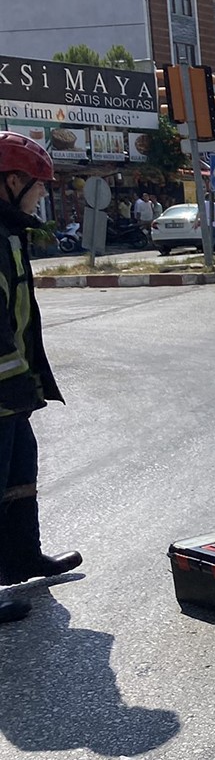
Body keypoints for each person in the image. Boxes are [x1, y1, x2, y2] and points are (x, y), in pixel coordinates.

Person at [0, 131, 82, 624]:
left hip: (10, 389)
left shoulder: (9, 229)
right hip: (2, 387)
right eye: (38, 185)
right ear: (11, 181)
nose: (42, 195)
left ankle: (20, 557)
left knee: (18, 476)